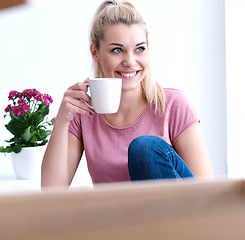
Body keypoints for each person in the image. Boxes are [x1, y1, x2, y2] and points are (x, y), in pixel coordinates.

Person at [41, 0, 213, 188]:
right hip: (119, 217)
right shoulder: (82, 111)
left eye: (140, 49)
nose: (130, 61)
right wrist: (63, 119)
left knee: (145, 148)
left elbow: (206, 194)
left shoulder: (173, 104)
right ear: (95, 53)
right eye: (117, 50)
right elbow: (51, 189)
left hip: (175, 215)